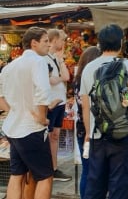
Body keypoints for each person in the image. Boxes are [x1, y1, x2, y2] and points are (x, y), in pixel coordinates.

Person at [80, 24, 128, 199]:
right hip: (122, 133)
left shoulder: (88, 68)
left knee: (95, 185)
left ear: (99, 44)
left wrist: (88, 133)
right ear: (121, 43)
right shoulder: (126, 65)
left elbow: (85, 105)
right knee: (120, 185)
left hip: (97, 134)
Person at [0, 26, 53, 199]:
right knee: (45, 176)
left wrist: (14, 111)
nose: (49, 45)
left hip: (13, 128)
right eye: (46, 41)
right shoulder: (38, 62)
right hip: (31, 128)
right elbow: (43, 92)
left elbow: (0, 96)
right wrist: (42, 117)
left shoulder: (9, 66)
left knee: (17, 174)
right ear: (34, 43)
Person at [73, 46, 101, 198]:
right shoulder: (92, 80)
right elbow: (87, 107)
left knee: (87, 168)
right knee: (93, 170)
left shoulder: (77, 80)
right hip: (90, 129)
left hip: (82, 128)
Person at [45, 28, 71, 182]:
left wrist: (61, 61)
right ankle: (48, 168)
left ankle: (54, 168)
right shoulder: (44, 58)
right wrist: (60, 78)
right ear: (54, 40)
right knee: (48, 136)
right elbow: (49, 80)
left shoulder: (56, 57)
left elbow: (66, 76)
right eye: (61, 40)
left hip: (60, 101)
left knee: (55, 135)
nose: (63, 43)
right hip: (50, 102)